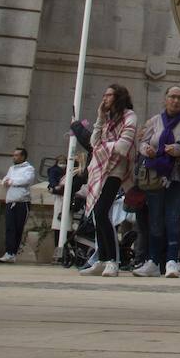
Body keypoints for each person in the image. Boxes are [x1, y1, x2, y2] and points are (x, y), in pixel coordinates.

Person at [132, 85, 180, 278]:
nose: (176, 101)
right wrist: (146, 149)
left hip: (179, 176)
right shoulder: (155, 121)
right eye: (172, 97)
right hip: (156, 176)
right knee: (155, 219)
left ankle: (172, 260)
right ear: (165, 99)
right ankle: (153, 261)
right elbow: (142, 142)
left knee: (174, 218)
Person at [71, 84, 137, 277]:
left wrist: (102, 148)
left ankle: (112, 261)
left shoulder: (129, 116)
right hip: (100, 171)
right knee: (97, 215)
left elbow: (123, 146)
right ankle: (102, 259)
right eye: (104, 94)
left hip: (115, 171)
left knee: (101, 212)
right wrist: (100, 117)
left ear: (118, 97)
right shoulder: (107, 119)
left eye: (109, 95)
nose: (105, 98)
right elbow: (93, 142)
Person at [0, 147, 36, 263]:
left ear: (23, 157)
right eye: (13, 155)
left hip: (22, 202)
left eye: (17, 155)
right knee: (10, 228)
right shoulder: (12, 168)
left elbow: (26, 180)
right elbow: (6, 178)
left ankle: (13, 252)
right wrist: (5, 181)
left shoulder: (29, 168)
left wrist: (12, 182)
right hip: (11, 200)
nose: (14, 157)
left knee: (18, 228)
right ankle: (9, 252)